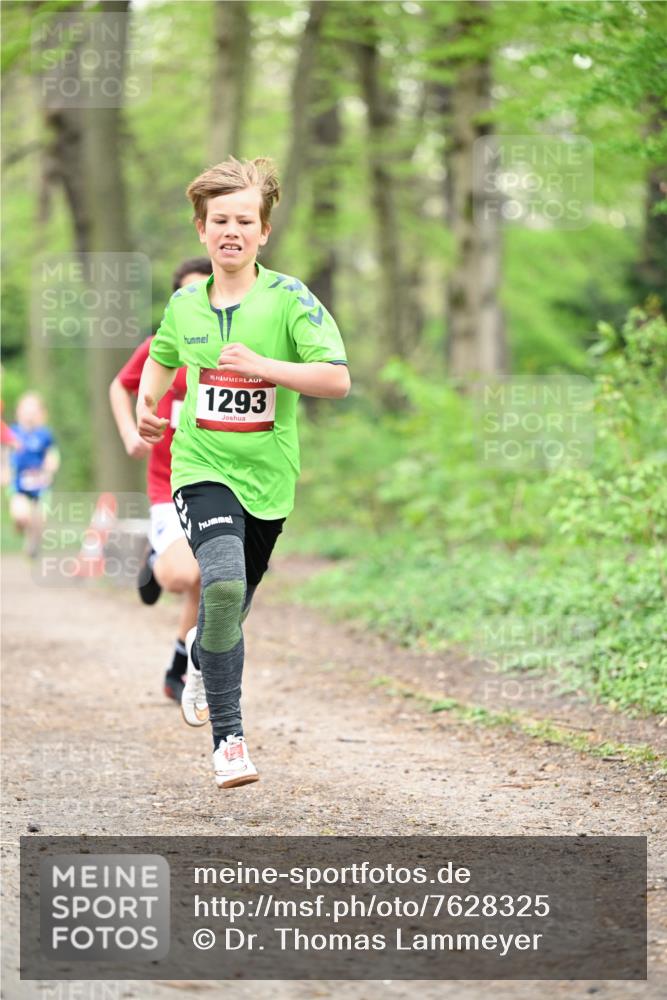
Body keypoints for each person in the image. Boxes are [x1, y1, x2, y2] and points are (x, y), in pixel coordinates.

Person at [137, 156, 350, 789]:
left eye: (245, 220)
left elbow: (336, 379)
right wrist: (150, 407)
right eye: (220, 220)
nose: (232, 230)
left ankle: (204, 654)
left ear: (263, 232)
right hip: (201, 465)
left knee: (233, 603)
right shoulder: (184, 304)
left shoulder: (291, 300)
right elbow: (161, 357)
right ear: (202, 230)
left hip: (270, 480)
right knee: (221, 583)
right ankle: (230, 741)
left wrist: (266, 367)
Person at [109, 257, 213, 702]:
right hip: (167, 486)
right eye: (188, 294)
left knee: (214, 579)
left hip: (217, 485)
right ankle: (155, 558)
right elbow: (120, 385)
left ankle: (179, 665)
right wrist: (131, 433)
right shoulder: (161, 346)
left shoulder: (233, 351)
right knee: (181, 577)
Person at [8, 391, 59, 558]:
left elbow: (51, 454)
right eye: (26, 410)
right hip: (18, 485)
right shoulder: (12, 433)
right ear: (18, 412)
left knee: (39, 521)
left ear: (42, 414)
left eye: (33, 411)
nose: (29, 415)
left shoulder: (45, 434)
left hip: (40, 485)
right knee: (22, 515)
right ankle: (21, 525)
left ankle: (32, 544)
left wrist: (51, 465)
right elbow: (4, 453)